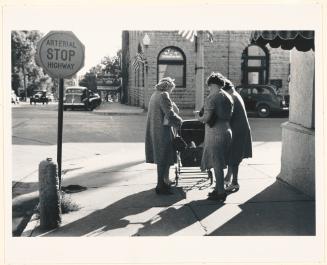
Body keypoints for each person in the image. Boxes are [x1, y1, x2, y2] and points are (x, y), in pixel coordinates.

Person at [196, 72, 234, 202]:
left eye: (209, 86)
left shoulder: (212, 98)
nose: (208, 88)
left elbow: (206, 118)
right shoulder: (228, 97)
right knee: (221, 161)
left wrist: (198, 117)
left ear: (212, 84)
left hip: (215, 132)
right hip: (227, 130)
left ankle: (221, 192)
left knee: (217, 163)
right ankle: (218, 188)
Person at [145, 77, 183, 195]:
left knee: (163, 157)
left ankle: (164, 181)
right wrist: (180, 121)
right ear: (168, 87)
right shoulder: (163, 95)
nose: (171, 91)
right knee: (162, 158)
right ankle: (160, 185)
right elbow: (170, 114)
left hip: (154, 130)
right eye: (171, 89)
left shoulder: (154, 95)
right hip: (162, 131)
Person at [222, 79, 252, 192]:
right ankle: (228, 177)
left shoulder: (232, 98)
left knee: (234, 157)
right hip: (240, 129)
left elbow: (227, 115)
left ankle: (234, 182)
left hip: (237, 130)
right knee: (233, 156)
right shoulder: (236, 94)